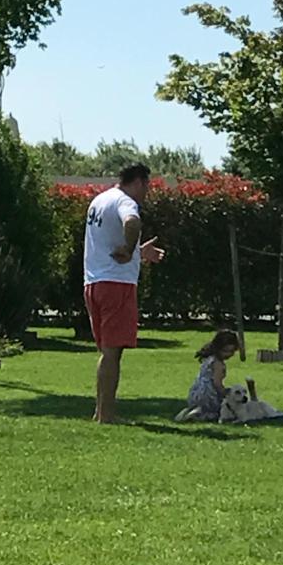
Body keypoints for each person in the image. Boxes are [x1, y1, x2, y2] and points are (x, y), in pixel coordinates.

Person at [83, 163, 165, 424]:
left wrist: (138, 252)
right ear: (138, 181)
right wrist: (130, 250)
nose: (147, 192)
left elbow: (107, 245)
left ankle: (100, 411)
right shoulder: (125, 202)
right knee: (113, 353)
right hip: (117, 285)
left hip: (94, 283)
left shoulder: (99, 201)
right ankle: (107, 415)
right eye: (147, 186)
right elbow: (132, 222)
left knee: (107, 352)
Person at [184, 330, 240, 422]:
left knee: (202, 408)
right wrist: (225, 393)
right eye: (225, 351)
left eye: (231, 351)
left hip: (196, 392)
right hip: (208, 394)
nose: (228, 354)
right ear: (218, 348)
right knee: (215, 413)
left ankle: (193, 411)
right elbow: (217, 383)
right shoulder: (218, 364)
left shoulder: (209, 359)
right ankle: (198, 415)